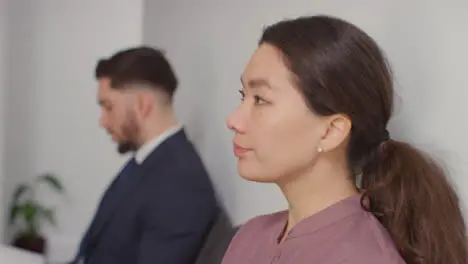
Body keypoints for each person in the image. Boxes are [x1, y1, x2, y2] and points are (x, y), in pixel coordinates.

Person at [222, 15, 467, 264]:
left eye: (260, 99)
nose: (233, 119)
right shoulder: (250, 236)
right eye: (243, 95)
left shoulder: (365, 257)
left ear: (332, 131)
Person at [71, 46, 219, 264]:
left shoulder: (181, 184)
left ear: (143, 105)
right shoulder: (147, 162)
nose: (102, 121)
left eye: (108, 107)